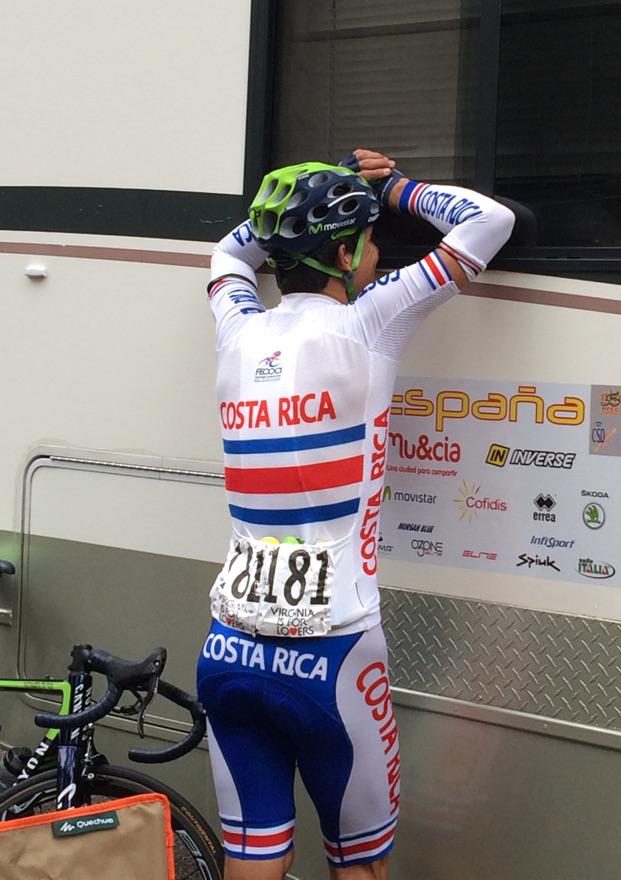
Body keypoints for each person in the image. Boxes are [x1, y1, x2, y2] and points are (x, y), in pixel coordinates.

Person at [197, 149, 515, 880]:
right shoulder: (371, 321)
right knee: (360, 866)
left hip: (229, 649)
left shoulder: (236, 325)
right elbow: (488, 221)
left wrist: (290, 214)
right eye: (368, 242)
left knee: (254, 860)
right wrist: (393, 187)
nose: (376, 256)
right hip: (333, 656)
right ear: (345, 255)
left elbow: (229, 256)